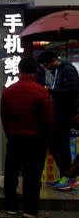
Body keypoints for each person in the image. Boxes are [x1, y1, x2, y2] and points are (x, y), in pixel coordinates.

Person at [1, 57, 54, 218]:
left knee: (11, 173)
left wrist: (10, 134)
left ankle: (11, 206)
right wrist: (46, 138)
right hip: (36, 140)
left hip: (14, 137)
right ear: (37, 70)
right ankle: (30, 209)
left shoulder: (8, 91)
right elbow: (48, 119)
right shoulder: (41, 92)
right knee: (32, 174)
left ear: (19, 70)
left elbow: (4, 116)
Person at [37, 50, 79, 190]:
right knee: (57, 145)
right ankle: (64, 175)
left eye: (46, 65)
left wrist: (49, 91)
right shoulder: (58, 70)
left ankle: (69, 177)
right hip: (58, 114)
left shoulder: (68, 70)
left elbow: (72, 92)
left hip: (66, 115)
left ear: (53, 60)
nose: (45, 68)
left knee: (60, 145)